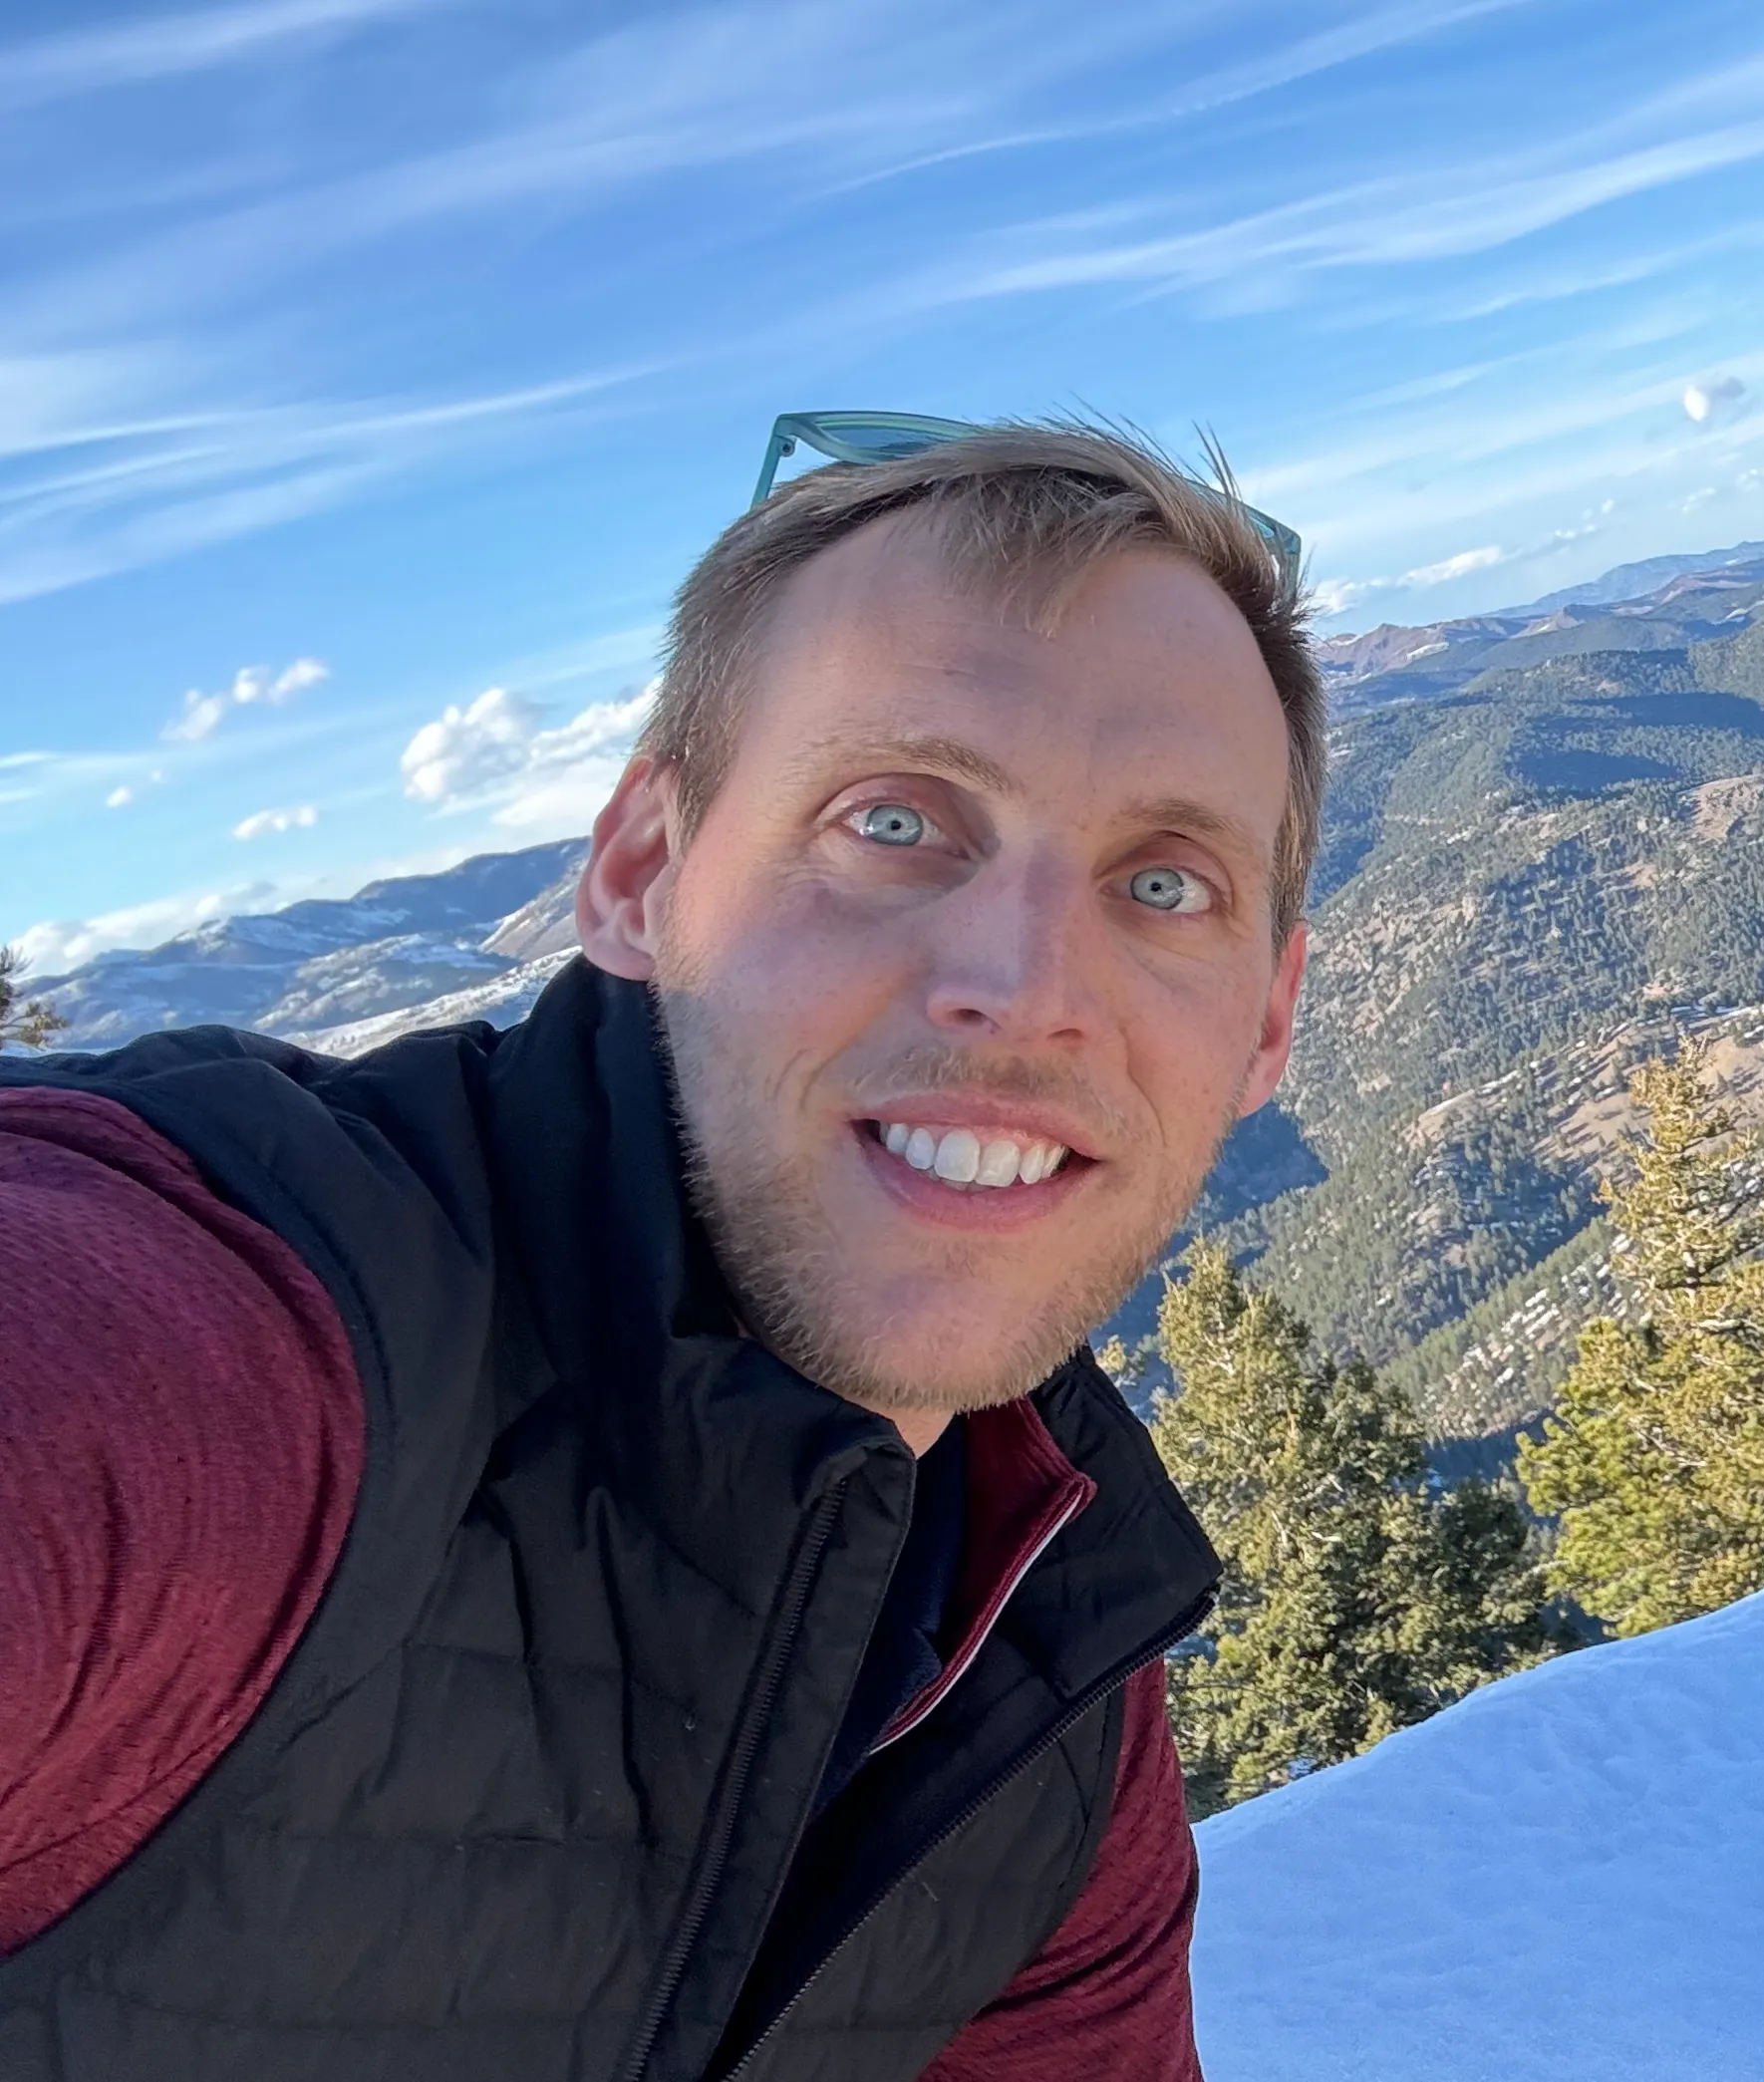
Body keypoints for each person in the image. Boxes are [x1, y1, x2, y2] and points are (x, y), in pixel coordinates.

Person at [0, 418, 1321, 2081]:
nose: (1025, 986)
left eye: (1165, 885)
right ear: (640, 875)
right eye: (892, 821)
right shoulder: (220, 1353)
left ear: (1265, 1024)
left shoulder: (1039, 1659)